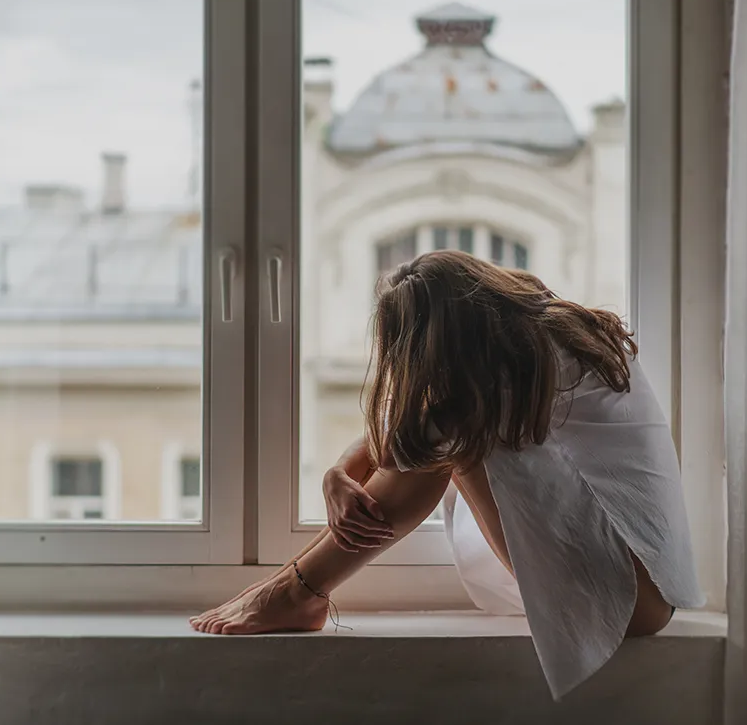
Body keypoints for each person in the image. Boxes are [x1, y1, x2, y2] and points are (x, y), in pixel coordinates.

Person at [190, 250, 704, 698]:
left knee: (453, 442)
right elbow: (400, 434)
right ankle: (290, 586)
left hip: (629, 597)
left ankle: (297, 592)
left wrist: (346, 473)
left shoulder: (542, 357)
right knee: (447, 436)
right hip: (628, 585)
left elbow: (415, 438)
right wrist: (338, 473)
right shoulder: (541, 338)